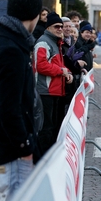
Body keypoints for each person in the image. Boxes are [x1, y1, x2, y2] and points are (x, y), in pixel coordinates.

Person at [0, 0, 43, 201]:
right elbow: (8, 107)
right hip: (11, 151)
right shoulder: (11, 49)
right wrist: (25, 146)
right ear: (34, 15)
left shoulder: (10, 40)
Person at [33, 12, 74, 155]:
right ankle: (43, 160)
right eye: (57, 26)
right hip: (45, 92)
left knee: (53, 126)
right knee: (46, 128)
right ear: (49, 27)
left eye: (61, 27)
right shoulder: (43, 42)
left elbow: (59, 65)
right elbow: (41, 65)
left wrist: (67, 73)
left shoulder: (56, 42)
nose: (60, 29)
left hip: (55, 91)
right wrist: (61, 71)